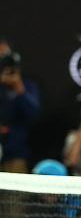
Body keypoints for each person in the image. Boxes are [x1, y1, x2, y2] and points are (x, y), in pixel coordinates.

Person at [0, 37, 41, 174]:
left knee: (17, 195)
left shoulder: (27, 86)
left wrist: (17, 86)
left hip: (15, 157)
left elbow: (32, 112)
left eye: (5, 56)